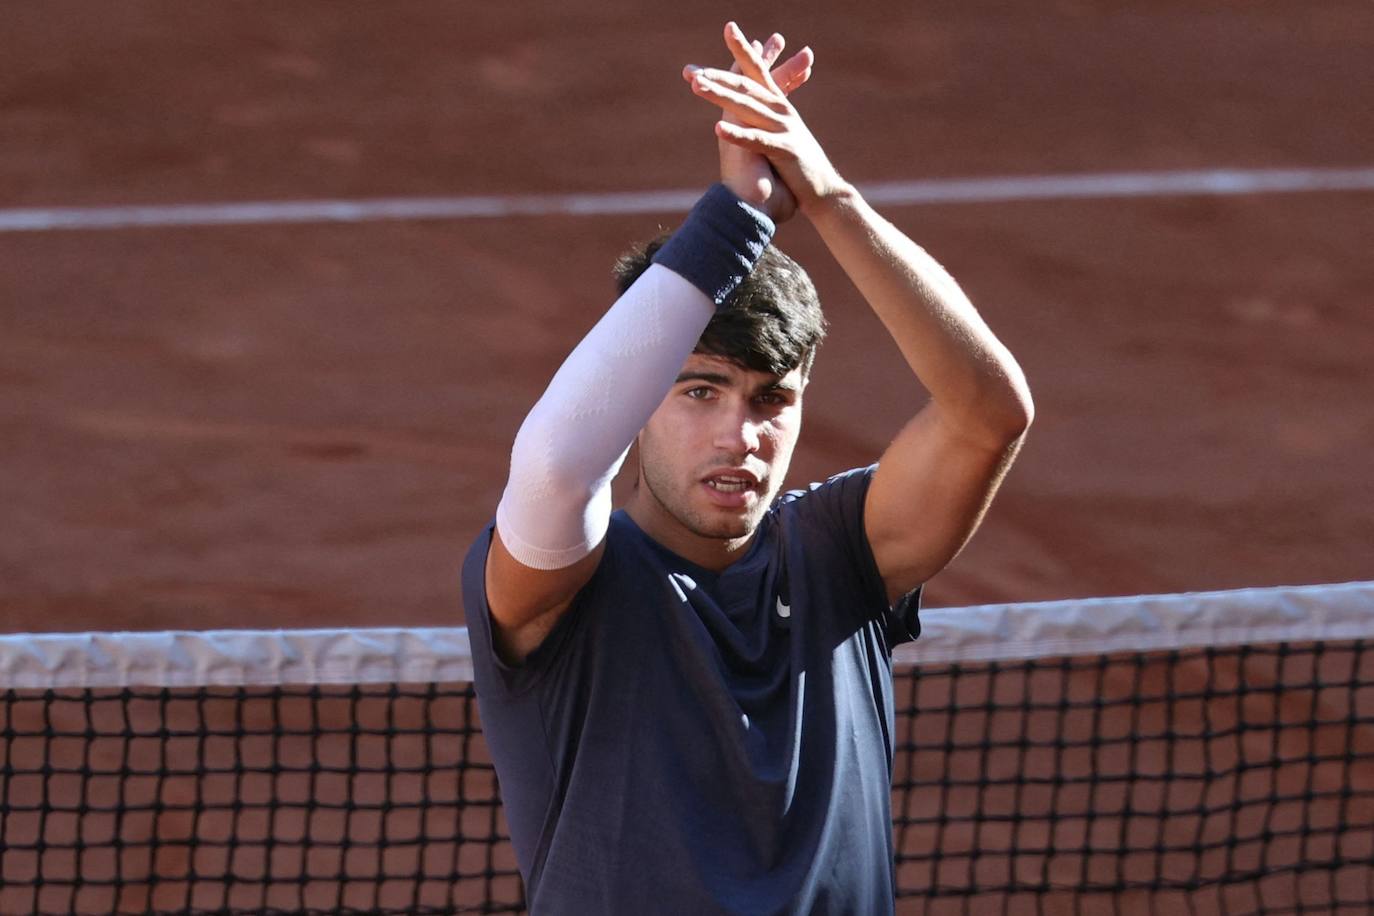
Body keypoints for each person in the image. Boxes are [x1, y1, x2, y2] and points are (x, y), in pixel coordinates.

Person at [461, 22, 1033, 915]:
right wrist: (739, 216)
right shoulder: (565, 583)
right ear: (641, 394)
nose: (741, 434)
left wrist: (828, 193)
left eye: (772, 400)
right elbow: (554, 465)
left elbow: (989, 416)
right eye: (700, 392)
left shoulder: (840, 553)